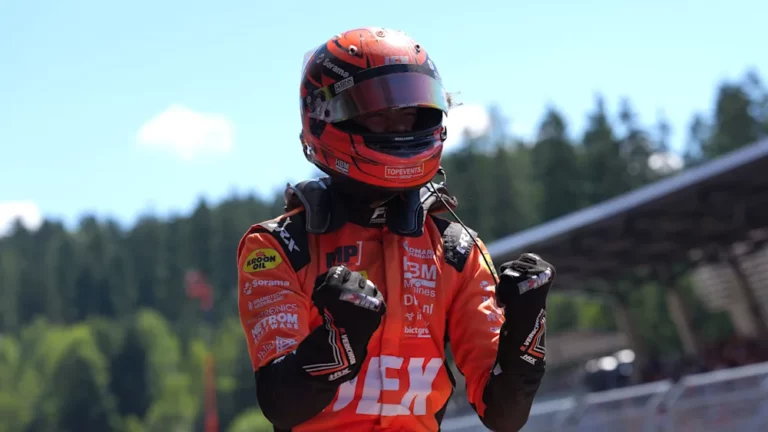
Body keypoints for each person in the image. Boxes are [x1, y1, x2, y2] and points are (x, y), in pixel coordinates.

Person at [237, 26, 555, 432]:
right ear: (325, 117)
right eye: (379, 113)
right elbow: (280, 404)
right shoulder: (279, 246)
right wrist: (340, 339)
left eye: (408, 113)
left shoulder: (457, 250)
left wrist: (527, 329)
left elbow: (504, 415)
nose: (400, 129)